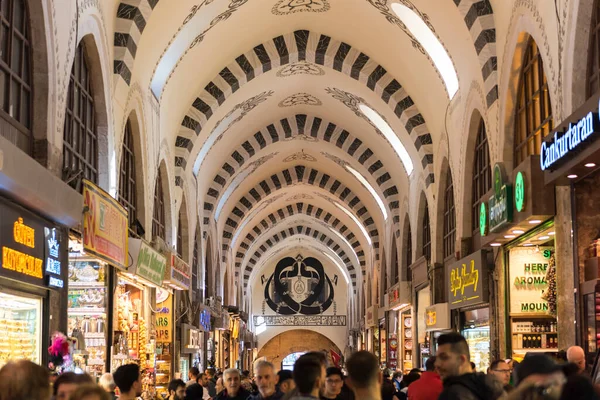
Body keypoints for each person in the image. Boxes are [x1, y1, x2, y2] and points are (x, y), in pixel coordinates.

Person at [435, 332, 504, 400]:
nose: (437, 364)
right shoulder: (495, 389)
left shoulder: (451, 395)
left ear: (462, 360)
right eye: (437, 358)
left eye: (444, 357)